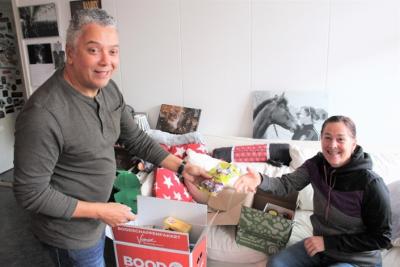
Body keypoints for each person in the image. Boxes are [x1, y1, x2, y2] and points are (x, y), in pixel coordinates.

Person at [13, 9, 210, 267]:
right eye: (94, 50)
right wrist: (100, 210)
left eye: (113, 51)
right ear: (70, 53)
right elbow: (30, 192)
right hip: (70, 235)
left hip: (98, 220)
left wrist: (182, 168)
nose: (106, 61)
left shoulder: (108, 89)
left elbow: (136, 139)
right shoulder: (44, 114)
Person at [234, 115, 392, 267]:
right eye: (327, 137)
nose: (333, 145)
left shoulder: (371, 184)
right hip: (320, 249)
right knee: (276, 263)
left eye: (341, 139)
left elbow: (382, 238)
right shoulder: (316, 165)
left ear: (353, 143)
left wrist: (327, 243)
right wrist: (260, 180)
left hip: (356, 259)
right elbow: (286, 184)